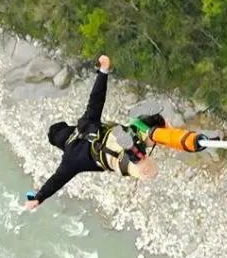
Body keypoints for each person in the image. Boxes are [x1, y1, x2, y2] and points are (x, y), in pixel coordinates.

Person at [24, 55, 216, 210]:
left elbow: (56, 181)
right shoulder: (84, 123)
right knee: (151, 127)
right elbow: (96, 98)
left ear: (59, 144)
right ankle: (169, 136)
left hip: (116, 158)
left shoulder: (69, 160)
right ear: (68, 129)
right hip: (121, 133)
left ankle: (136, 154)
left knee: (149, 171)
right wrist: (103, 70)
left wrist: (39, 198)